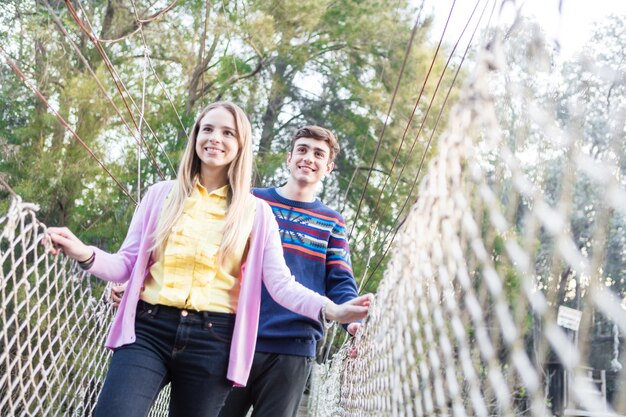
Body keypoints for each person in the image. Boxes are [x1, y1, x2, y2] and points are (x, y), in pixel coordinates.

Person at [46, 102, 372, 417]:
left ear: (241, 145)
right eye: (208, 129)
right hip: (148, 329)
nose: (215, 138)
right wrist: (84, 253)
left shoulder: (255, 212)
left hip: (218, 340)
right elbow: (125, 264)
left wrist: (337, 312)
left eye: (228, 132)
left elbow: (282, 285)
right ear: (196, 137)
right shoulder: (161, 195)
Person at [217, 125, 362, 417]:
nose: (309, 158)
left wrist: (353, 323)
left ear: (328, 167)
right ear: (290, 157)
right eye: (303, 150)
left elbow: (340, 281)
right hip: (235, 336)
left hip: (293, 348)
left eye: (318, 154)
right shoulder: (252, 202)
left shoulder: (332, 222)